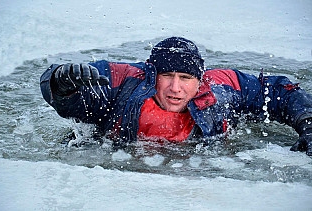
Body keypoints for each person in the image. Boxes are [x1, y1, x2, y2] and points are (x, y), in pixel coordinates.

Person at [40, 37, 312, 155]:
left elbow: (278, 91)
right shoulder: (124, 79)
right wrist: (60, 83)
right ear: (152, 73)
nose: (175, 88)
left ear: (199, 79)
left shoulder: (220, 87)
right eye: (167, 76)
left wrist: (307, 123)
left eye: (185, 78)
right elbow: (71, 101)